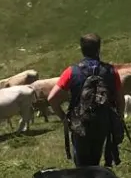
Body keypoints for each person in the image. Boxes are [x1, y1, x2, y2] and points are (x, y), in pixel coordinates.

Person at [47, 33, 125, 167]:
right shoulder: (111, 71)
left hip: (80, 123)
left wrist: (63, 118)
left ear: (82, 50)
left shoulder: (71, 71)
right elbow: (120, 99)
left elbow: (52, 98)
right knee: (95, 159)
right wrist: (119, 117)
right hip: (102, 122)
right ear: (98, 49)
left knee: (81, 164)